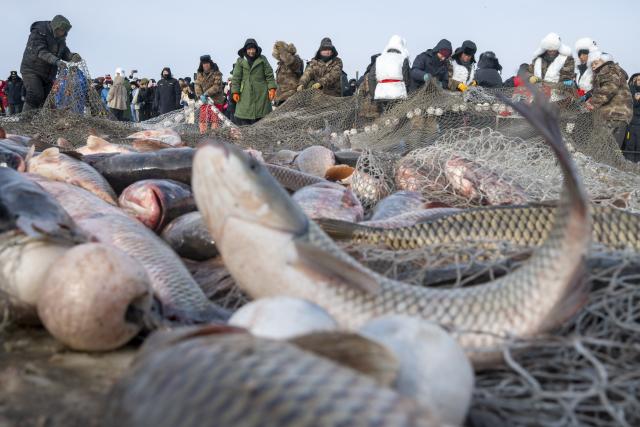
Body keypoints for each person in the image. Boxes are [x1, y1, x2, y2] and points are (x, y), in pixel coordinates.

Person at [20, 15, 81, 111]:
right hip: (32, 70)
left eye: (65, 31)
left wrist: (72, 56)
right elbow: (40, 51)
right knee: (35, 94)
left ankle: (39, 123)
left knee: (47, 100)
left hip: (48, 74)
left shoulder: (60, 38)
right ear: (55, 27)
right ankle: (24, 121)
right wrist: (56, 61)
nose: (64, 33)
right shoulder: (39, 32)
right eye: (62, 30)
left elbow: (64, 52)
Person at [584, 52, 633, 151]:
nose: (593, 65)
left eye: (596, 62)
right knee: (610, 150)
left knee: (601, 149)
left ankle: (601, 166)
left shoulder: (608, 70)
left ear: (604, 61)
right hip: (618, 114)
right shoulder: (610, 72)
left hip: (612, 115)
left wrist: (591, 104)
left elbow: (609, 88)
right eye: (591, 64)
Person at [231, 39, 277, 125]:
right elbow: (236, 78)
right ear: (245, 50)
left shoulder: (262, 59)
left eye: (253, 49)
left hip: (261, 94)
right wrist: (235, 92)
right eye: (249, 49)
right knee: (245, 123)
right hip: (245, 94)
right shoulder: (240, 61)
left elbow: (269, 75)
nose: (251, 51)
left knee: (262, 122)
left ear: (256, 49)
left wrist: (272, 88)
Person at [373, 35, 410, 101]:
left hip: (380, 94)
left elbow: (372, 77)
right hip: (398, 94)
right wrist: (406, 90)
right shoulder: (403, 59)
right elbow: (406, 78)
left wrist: (374, 93)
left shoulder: (379, 59)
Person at [194, 54, 225, 133]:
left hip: (216, 101)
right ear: (201, 64)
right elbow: (197, 85)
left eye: (207, 63)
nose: (205, 65)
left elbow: (216, 86)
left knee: (215, 121)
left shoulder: (217, 73)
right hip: (204, 101)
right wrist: (200, 95)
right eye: (203, 63)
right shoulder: (199, 74)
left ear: (210, 63)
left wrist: (206, 94)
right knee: (203, 120)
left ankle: (214, 137)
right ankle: (203, 136)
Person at [272, 41, 304, 105]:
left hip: (292, 97)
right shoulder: (281, 64)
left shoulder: (296, 59)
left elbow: (290, 61)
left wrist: (282, 50)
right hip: (280, 99)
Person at [625, 73, 640, 162]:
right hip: (631, 123)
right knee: (629, 145)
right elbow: (628, 105)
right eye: (638, 80)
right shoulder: (631, 90)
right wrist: (636, 100)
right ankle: (628, 164)